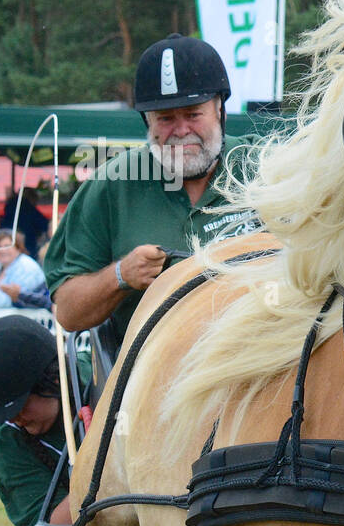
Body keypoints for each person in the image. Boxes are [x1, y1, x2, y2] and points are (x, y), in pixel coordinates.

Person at [43, 34, 264, 339]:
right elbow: (68, 312)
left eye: (193, 114)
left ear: (220, 111)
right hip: (150, 379)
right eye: (166, 118)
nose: (182, 130)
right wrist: (120, 275)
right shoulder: (112, 184)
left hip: (261, 369)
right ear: (147, 123)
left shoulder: (262, 167)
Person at [0, 316, 83, 526]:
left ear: (53, 380)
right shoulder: (9, 445)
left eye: (18, 406)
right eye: (3, 413)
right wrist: (109, 477)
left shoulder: (102, 378)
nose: (13, 420)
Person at [0, 230, 51, 310]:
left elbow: (9, 302)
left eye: (7, 246)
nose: (2, 250)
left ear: (18, 248)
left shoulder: (27, 266)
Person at [0, 184, 50, 260]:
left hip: (5, 242)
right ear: (31, 198)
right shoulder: (28, 209)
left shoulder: (9, 206)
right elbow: (45, 225)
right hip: (27, 245)